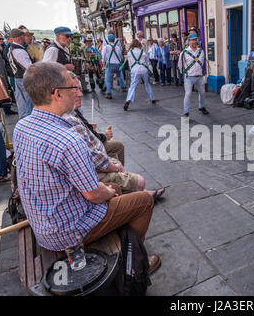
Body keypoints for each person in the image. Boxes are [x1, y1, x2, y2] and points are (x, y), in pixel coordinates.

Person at [14, 61, 161, 273]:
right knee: (143, 201)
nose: (77, 92)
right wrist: (108, 190)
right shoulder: (67, 140)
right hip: (67, 232)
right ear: (57, 94)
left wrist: (110, 190)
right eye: (71, 87)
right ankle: (136, 265)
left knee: (117, 191)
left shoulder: (23, 126)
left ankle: (121, 242)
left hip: (43, 224)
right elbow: (93, 195)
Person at [178, 32, 208, 117]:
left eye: (195, 39)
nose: (194, 41)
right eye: (192, 40)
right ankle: (186, 112)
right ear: (188, 41)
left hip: (199, 76)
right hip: (189, 77)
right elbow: (180, 64)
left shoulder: (201, 51)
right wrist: (183, 73)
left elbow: (203, 62)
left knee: (202, 93)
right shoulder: (184, 52)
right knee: (188, 94)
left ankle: (201, 107)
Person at [7, 28, 34, 118]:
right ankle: (29, 123)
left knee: (22, 103)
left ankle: (25, 120)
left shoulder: (12, 48)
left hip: (18, 77)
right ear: (19, 37)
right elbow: (30, 67)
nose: (25, 38)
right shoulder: (19, 51)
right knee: (28, 103)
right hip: (24, 79)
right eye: (24, 36)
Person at [124, 40, 156, 111]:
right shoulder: (143, 52)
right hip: (144, 69)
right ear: (139, 45)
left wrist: (132, 69)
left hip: (135, 70)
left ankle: (128, 100)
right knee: (147, 84)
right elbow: (147, 62)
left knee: (133, 86)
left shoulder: (129, 53)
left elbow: (130, 63)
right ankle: (152, 98)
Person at [102, 33, 127, 99]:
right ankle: (123, 87)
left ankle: (109, 93)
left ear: (108, 40)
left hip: (110, 64)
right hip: (117, 64)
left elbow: (103, 56)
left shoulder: (106, 47)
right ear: (114, 40)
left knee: (107, 79)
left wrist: (105, 62)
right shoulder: (118, 47)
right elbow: (121, 57)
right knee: (119, 76)